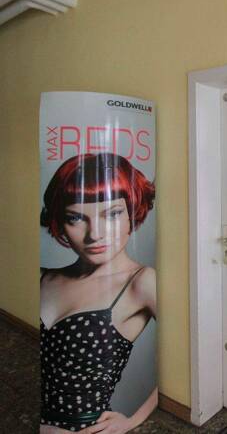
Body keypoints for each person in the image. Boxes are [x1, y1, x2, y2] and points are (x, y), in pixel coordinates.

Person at [39, 153, 157, 433]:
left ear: (132, 211)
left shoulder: (141, 282)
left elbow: (196, 351)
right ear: (60, 221)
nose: (95, 234)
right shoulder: (42, 276)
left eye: (112, 214)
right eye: (75, 218)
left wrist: (134, 420)